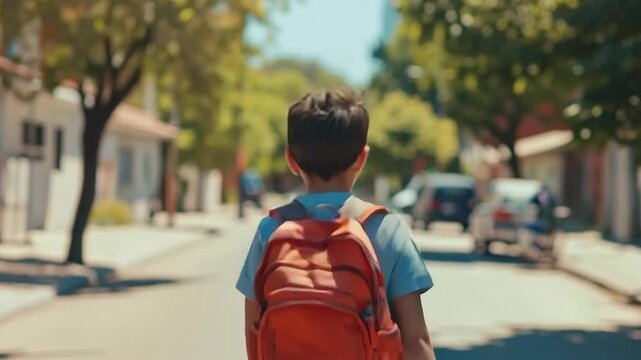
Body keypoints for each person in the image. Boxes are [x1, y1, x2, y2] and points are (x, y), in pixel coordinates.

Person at [236, 90, 436, 359]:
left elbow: (255, 332)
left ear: (291, 159)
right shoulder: (387, 229)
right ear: (361, 159)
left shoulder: (270, 231)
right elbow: (415, 340)